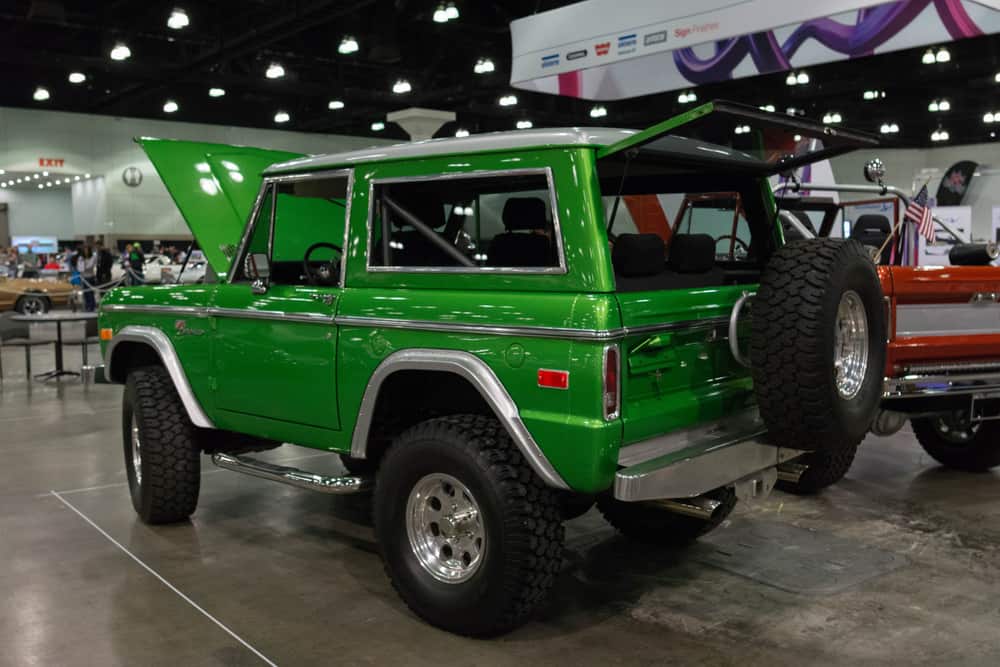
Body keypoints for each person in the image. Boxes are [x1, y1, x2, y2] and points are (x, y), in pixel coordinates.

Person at [77, 245, 97, 311]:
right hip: (83, 278)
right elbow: (80, 268)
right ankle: (87, 306)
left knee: (90, 293)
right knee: (85, 293)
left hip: (90, 277)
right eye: (84, 250)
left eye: (87, 250)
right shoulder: (80, 258)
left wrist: (84, 266)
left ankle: (91, 307)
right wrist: (84, 266)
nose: (86, 251)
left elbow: (90, 266)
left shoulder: (93, 257)